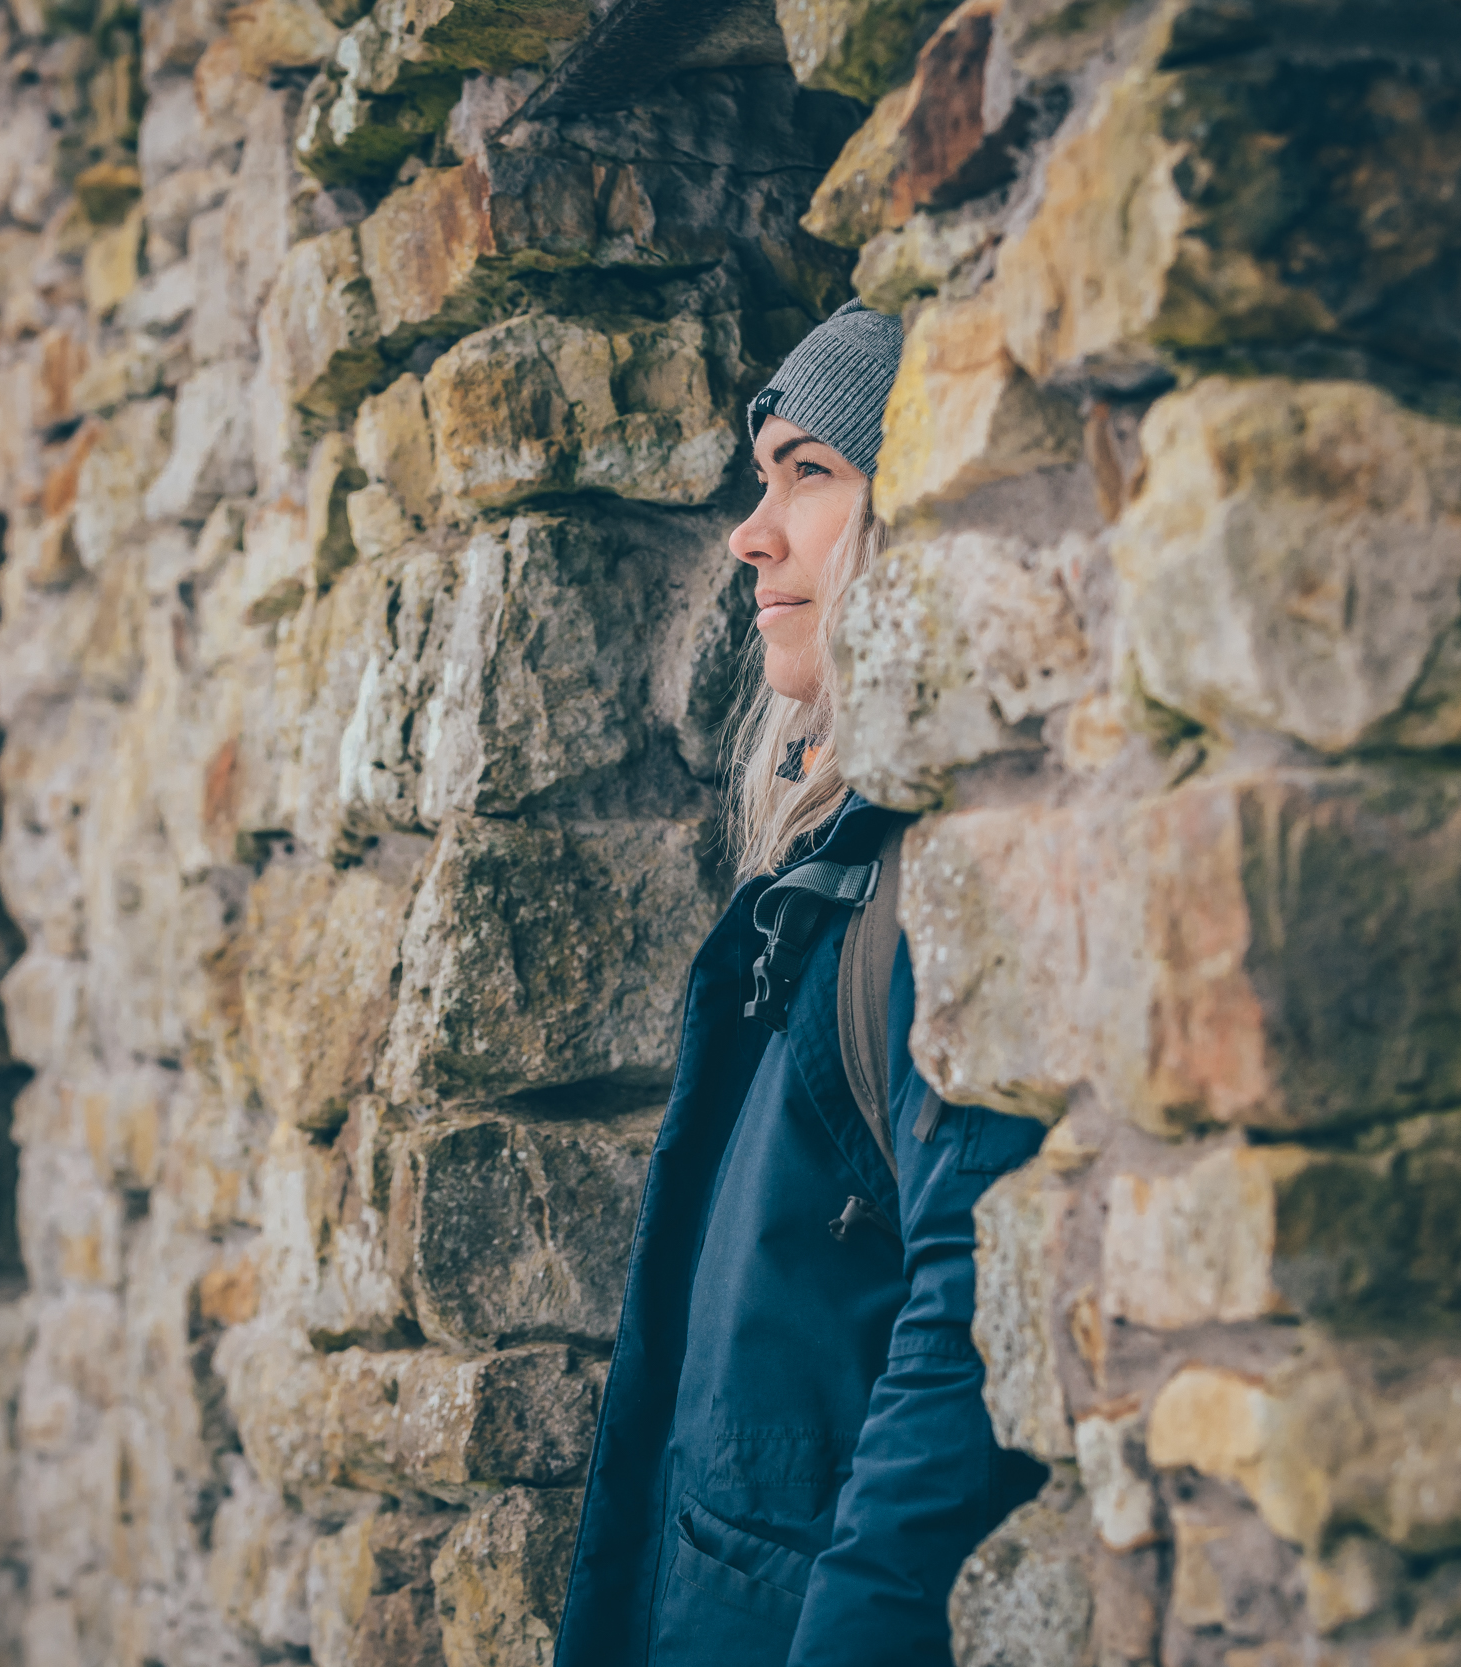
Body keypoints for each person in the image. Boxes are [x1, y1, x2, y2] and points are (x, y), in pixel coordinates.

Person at [552, 300, 1049, 1667]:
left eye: (812, 474)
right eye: (761, 478)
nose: (749, 533)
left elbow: (959, 1341)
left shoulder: (935, 891)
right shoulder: (819, 879)